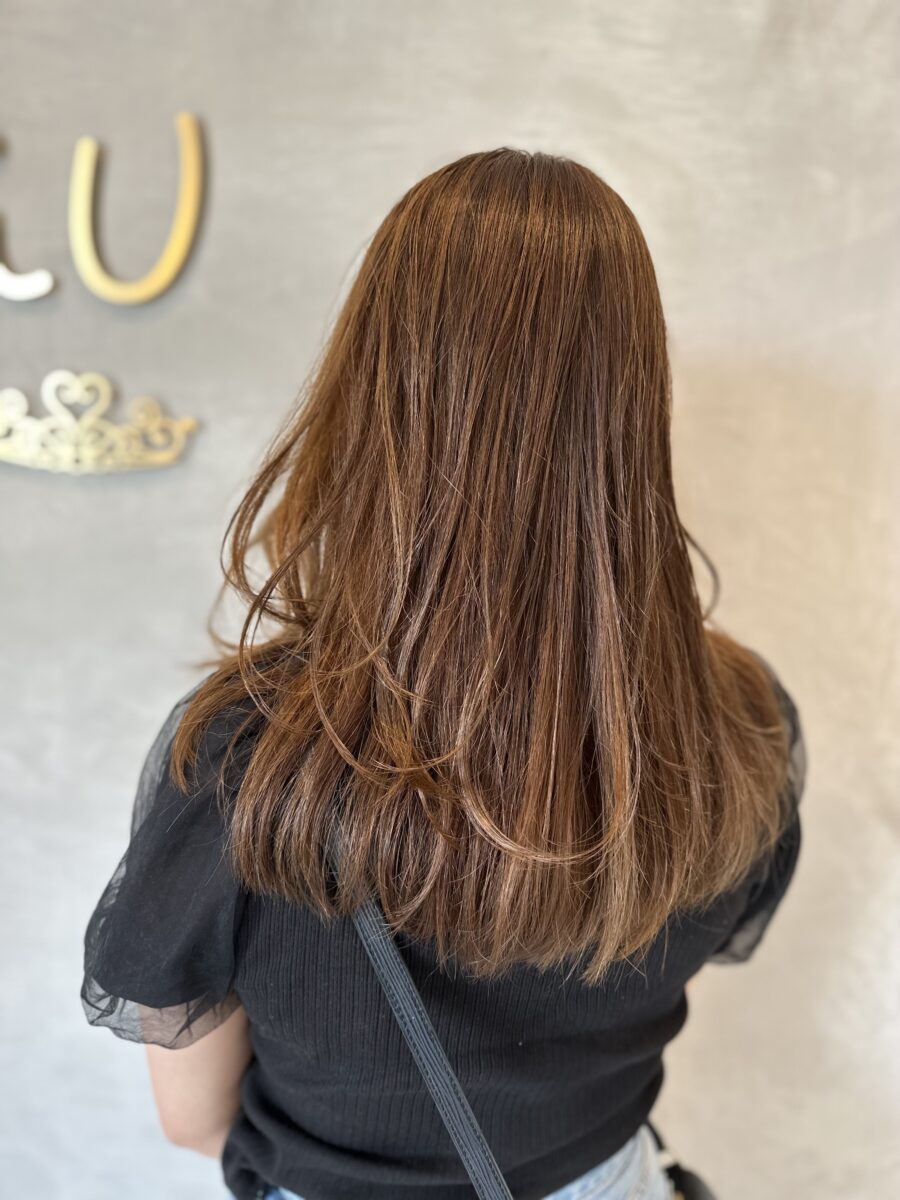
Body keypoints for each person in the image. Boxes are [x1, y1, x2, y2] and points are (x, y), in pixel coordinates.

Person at [81, 148, 806, 1200]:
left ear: (375, 389)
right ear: (633, 400)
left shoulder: (250, 762)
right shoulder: (741, 720)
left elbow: (195, 1122)